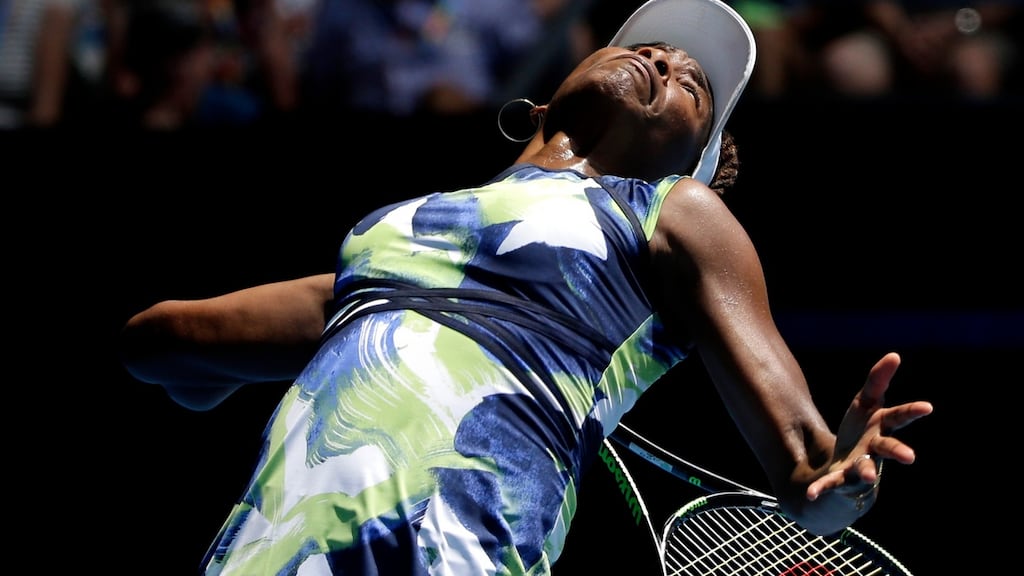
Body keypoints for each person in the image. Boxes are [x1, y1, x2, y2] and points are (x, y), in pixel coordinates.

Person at [118, 0, 933, 573]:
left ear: (692, 165)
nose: (665, 58)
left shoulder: (672, 216)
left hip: (460, 553)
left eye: (694, 85)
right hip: (269, 555)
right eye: (647, 47)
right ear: (544, 98)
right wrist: (186, 364)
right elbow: (162, 346)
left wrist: (836, 491)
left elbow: (807, 475)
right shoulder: (393, 237)